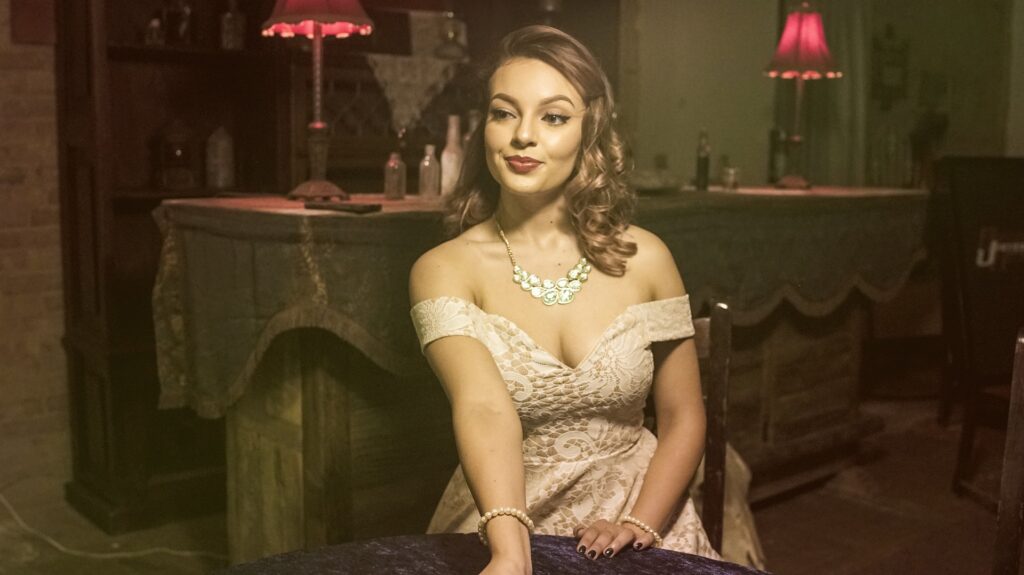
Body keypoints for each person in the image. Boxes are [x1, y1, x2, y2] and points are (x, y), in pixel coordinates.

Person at [409, 25, 717, 574]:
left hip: (642, 506)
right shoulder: (444, 269)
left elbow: (683, 413)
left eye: (553, 117)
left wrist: (640, 523)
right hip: (505, 512)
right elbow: (483, 408)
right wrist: (509, 553)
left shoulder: (647, 258)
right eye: (504, 113)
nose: (523, 136)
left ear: (589, 132)